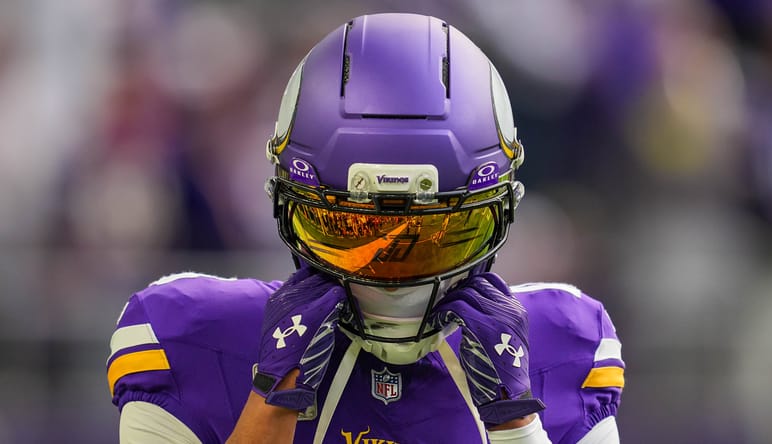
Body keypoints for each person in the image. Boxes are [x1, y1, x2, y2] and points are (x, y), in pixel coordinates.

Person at [106, 13, 624, 444]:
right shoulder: (193, 337)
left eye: (435, 236)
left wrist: (518, 424)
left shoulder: (561, 346)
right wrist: (270, 401)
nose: (391, 279)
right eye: (352, 230)